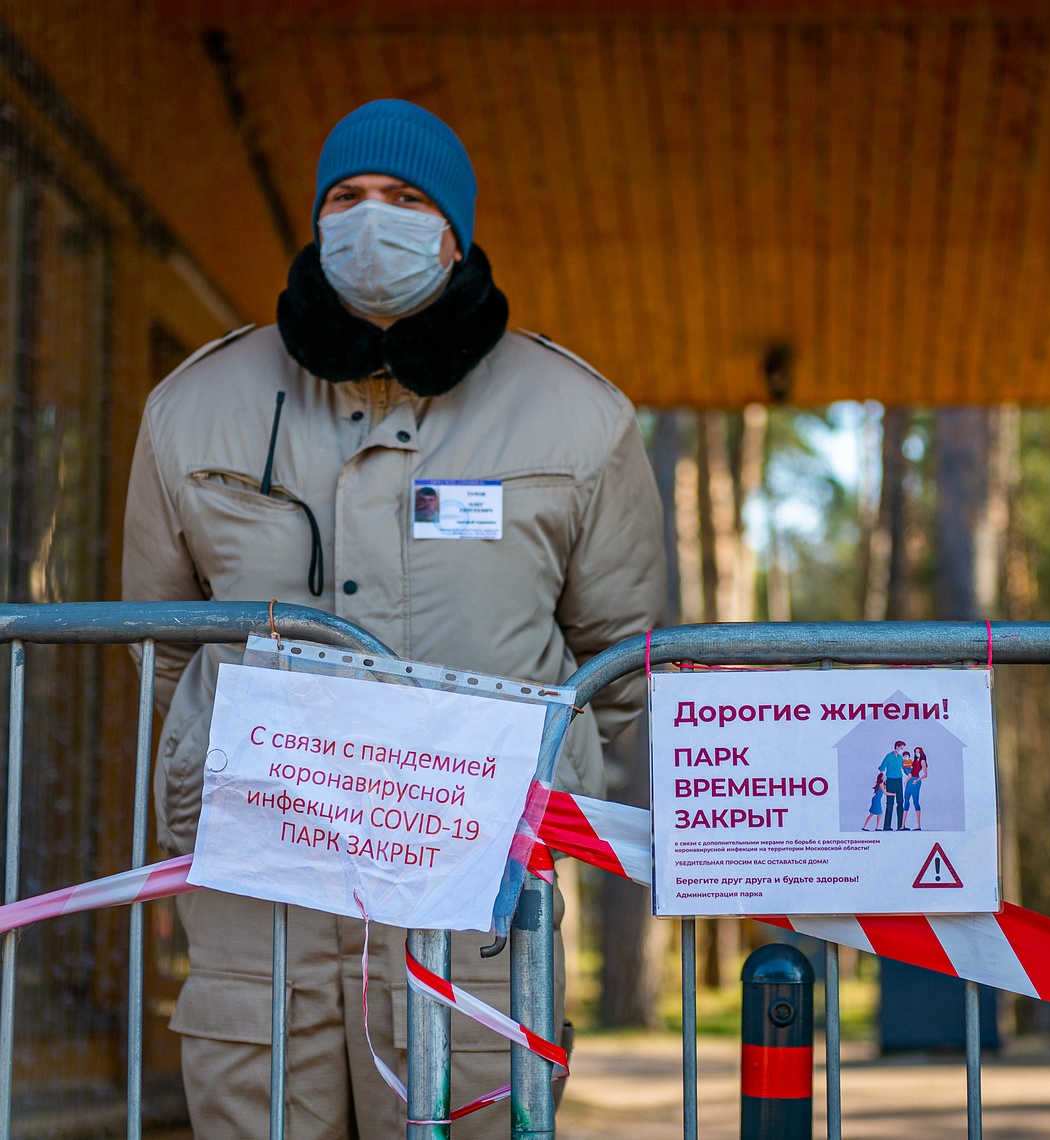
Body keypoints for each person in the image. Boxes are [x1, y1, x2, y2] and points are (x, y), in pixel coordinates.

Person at [122, 99, 666, 1139]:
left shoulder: (578, 417)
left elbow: (620, 665)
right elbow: (161, 645)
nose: (373, 223)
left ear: (455, 230)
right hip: (258, 894)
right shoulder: (193, 409)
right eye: (347, 199)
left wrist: (539, 809)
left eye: (406, 200)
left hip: (475, 899)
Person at [878, 740, 906, 831]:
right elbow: (882, 767)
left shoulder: (901, 757)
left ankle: (901, 826)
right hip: (890, 780)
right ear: (897, 747)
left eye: (903, 748)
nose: (902, 750)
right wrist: (882, 778)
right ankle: (887, 826)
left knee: (900, 802)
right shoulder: (889, 756)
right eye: (901, 748)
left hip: (899, 780)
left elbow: (904, 768)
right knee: (890, 803)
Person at [901, 745, 928, 831]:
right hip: (910, 780)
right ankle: (902, 825)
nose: (917, 753)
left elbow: (925, 774)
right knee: (906, 801)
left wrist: (917, 780)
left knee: (915, 801)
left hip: (916, 781)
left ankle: (918, 826)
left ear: (921, 752)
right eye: (916, 752)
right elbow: (911, 772)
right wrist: (906, 780)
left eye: (918, 752)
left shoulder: (922, 761)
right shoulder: (914, 760)